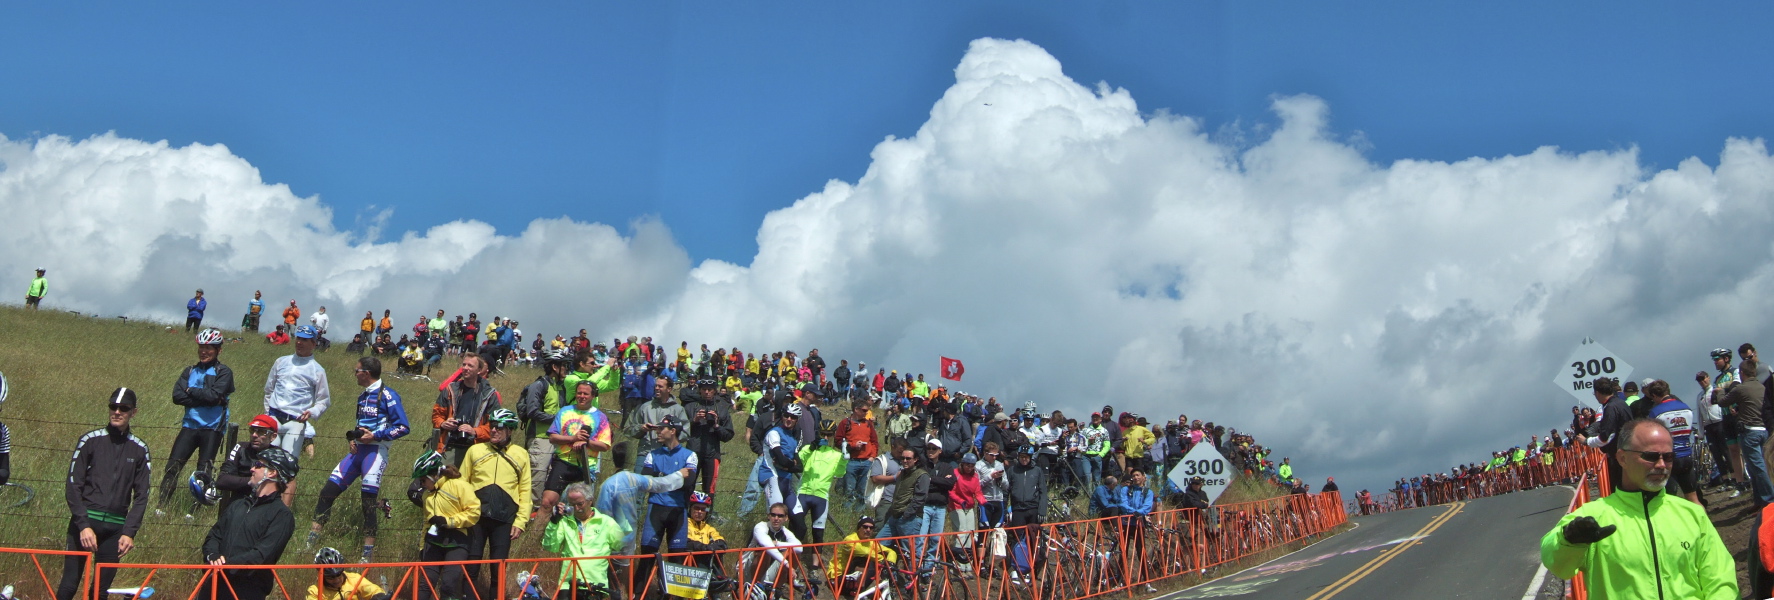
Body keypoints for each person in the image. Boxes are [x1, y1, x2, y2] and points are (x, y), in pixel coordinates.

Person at [1540, 418, 1735, 599]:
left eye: (1668, 457)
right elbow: (1555, 563)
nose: (1661, 465)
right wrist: (1569, 540)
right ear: (1622, 458)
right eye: (1650, 457)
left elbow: (1721, 580)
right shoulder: (1593, 516)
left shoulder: (1692, 514)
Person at [308, 356, 409, 562]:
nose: (354, 373)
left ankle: (366, 555)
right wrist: (351, 438)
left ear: (367, 373)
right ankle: (310, 543)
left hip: (375, 453)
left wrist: (376, 436)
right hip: (357, 453)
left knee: (368, 503)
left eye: (357, 370)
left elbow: (403, 427)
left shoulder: (388, 395)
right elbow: (360, 424)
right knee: (327, 492)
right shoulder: (362, 396)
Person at [56, 388, 152, 600]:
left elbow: (142, 495)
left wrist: (129, 532)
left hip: (115, 530)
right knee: (69, 586)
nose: (117, 412)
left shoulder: (139, 449)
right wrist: (83, 525)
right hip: (85, 524)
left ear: (133, 412)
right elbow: (73, 486)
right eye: (113, 407)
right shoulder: (90, 440)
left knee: (100, 592)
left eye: (123, 408)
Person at [199, 447, 299, 600]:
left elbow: (261, 555)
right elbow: (214, 536)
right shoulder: (238, 504)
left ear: (272, 473)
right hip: (213, 585)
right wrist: (213, 556)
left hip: (246, 591)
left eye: (258, 465)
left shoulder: (281, 516)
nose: (252, 468)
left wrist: (226, 566)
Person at [459, 409, 532, 600]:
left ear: (510, 430)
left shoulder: (521, 454)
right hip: (476, 517)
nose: (493, 431)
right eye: (492, 426)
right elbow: (462, 484)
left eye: (499, 427)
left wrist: (520, 521)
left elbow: (525, 491)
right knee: (471, 567)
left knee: (498, 569)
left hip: (504, 519)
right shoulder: (475, 450)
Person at [160, 328, 236, 507]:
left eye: (209, 348)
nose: (204, 351)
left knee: (204, 472)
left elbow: (214, 395)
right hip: (189, 426)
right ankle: (161, 507)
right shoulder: (190, 370)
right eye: (201, 347)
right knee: (172, 467)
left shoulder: (223, 372)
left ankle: (194, 510)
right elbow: (177, 397)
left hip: (212, 428)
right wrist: (207, 397)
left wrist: (191, 391)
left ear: (219, 350)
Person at [637, 415, 699, 592]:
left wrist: (661, 478)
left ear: (672, 431)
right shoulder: (652, 454)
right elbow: (646, 481)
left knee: (677, 560)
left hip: (678, 510)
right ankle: (639, 594)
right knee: (647, 557)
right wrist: (676, 476)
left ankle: (673, 595)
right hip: (655, 508)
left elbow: (688, 484)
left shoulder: (690, 455)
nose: (657, 431)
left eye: (661, 429)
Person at [412, 451, 481, 600]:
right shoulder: (427, 495)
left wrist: (449, 522)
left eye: (423, 480)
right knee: (425, 584)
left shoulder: (459, 485)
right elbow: (426, 522)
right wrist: (422, 546)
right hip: (434, 540)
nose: (422, 484)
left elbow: (474, 513)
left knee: (449, 584)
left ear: (433, 476)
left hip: (457, 540)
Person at [540, 380, 614, 518]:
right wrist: (573, 439)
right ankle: (536, 535)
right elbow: (553, 437)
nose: (582, 396)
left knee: (582, 509)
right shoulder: (565, 411)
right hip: (563, 461)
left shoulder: (600, 417)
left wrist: (586, 442)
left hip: (586, 466)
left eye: (585, 394)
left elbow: (604, 446)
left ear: (593, 396)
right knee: (547, 502)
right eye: (579, 393)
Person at [265, 325, 332, 476]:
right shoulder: (281, 362)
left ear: (313, 344)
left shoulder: (317, 370)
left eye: (305, 340)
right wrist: (267, 414)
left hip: (295, 422)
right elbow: (269, 390)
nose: (300, 342)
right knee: (267, 463)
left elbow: (324, 400)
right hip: (274, 418)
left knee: (287, 467)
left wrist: (312, 411)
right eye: (298, 338)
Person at [542, 481, 624, 599]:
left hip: (595, 583)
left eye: (580, 504)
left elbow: (623, 544)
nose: (577, 508)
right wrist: (554, 522)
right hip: (568, 584)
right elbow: (550, 546)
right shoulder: (563, 521)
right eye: (572, 504)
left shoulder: (606, 522)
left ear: (590, 500)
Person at [791, 419, 847, 572]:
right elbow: (798, 461)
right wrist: (811, 448)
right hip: (803, 492)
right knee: (796, 528)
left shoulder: (835, 455)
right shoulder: (810, 448)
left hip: (821, 496)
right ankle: (791, 563)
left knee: (818, 533)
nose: (826, 437)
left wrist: (843, 459)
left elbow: (840, 473)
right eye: (823, 434)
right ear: (818, 433)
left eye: (829, 434)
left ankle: (814, 568)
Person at [1719, 357, 1772, 506]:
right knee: (1761, 466)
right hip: (1763, 429)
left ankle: (1769, 500)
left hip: (1749, 432)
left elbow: (1723, 402)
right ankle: (1759, 500)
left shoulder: (1741, 389)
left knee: (1757, 467)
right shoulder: (1762, 387)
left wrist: (1721, 391)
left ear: (1742, 373)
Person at [519, 351, 569, 506]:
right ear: (554, 367)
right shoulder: (539, 385)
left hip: (557, 440)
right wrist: (557, 419)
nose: (566, 369)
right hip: (540, 439)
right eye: (563, 366)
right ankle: (530, 517)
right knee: (537, 481)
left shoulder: (560, 387)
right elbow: (532, 412)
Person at [433, 353, 501, 466]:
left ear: (479, 370)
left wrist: (474, 431)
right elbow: (436, 415)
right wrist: (443, 423)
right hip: (450, 445)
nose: (465, 368)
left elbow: (495, 426)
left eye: (470, 366)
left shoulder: (490, 395)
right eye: (464, 365)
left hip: (478, 448)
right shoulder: (450, 390)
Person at [1644, 379, 1702, 504]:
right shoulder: (1686, 408)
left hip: (1669, 459)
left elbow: (1651, 437)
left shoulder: (1656, 412)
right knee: (1693, 498)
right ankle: (1703, 523)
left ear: (1654, 395)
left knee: (1668, 501)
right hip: (1687, 455)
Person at [683, 377, 736, 495]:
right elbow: (680, 432)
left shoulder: (722, 409)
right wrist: (694, 421)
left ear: (714, 391)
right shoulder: (689, 407)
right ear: (700, 390)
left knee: (709, 490)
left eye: (710, 389)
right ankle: (685, 512)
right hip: (692, 453)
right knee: (687, 487)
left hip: (712, 454)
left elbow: (728, 435)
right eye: (704, 389)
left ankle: (707, 513)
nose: (707, 392)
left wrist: (716, 426)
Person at [743, 502, 805, 598]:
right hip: (747, 570)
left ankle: (775, 591)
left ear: (786, 518)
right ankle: (756, 587)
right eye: (773, 515)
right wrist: (787, 564)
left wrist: (778, 543)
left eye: (780, 516)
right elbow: (766, 545)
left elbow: (799, 548)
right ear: (769, 516)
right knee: (765, 550)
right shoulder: (761, 526)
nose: (776, 518)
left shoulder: (786, 532)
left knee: (792, 552)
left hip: (768, 570)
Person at [1005, 444, 1048, 577]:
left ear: (1031, 458)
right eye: (1022, 457)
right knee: (1017, 538)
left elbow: (1043, 492)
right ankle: (1016, 567)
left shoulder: (1037, 470)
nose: (1024, 459)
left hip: (1033, 509)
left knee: (1033, 539)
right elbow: (1006, 491)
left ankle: (1031, 567)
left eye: (1027, 457)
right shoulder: (1012, 470)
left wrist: (1042, 510)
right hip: (1018, 509)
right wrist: (1006, 509)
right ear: (1018, 457)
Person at [829, 516, 896, 599]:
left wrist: (890, 562)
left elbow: (891, 552)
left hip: (852, 578)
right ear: (858, 528)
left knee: (876, 564)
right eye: (865, 527)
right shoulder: (849, 539)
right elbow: (863, 552)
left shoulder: (870, 542)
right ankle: (859, 592)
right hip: (838, 578)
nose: (868, 530)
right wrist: (883, 560)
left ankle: (864, 591)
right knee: (862, 559)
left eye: (871, 528)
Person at [836, 401, 880, 511]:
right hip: (851, 461)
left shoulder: (869, 424)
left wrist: (872, 457)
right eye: (864, 410)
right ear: (856, 409)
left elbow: (874, 441)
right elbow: (838, 441)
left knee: (863, 491)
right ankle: (846, 513)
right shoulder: (845, 423)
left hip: (866, 462)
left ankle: (859, 514)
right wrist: (852, 445)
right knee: (849, 490)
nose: (867, 413)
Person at [307, 547, 391, 600]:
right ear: (323, 575)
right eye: (331, 577)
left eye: (339, 574)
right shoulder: (315, 591)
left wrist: (378, 596)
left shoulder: (354, 578)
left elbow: (371, 589)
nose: (336, 580)